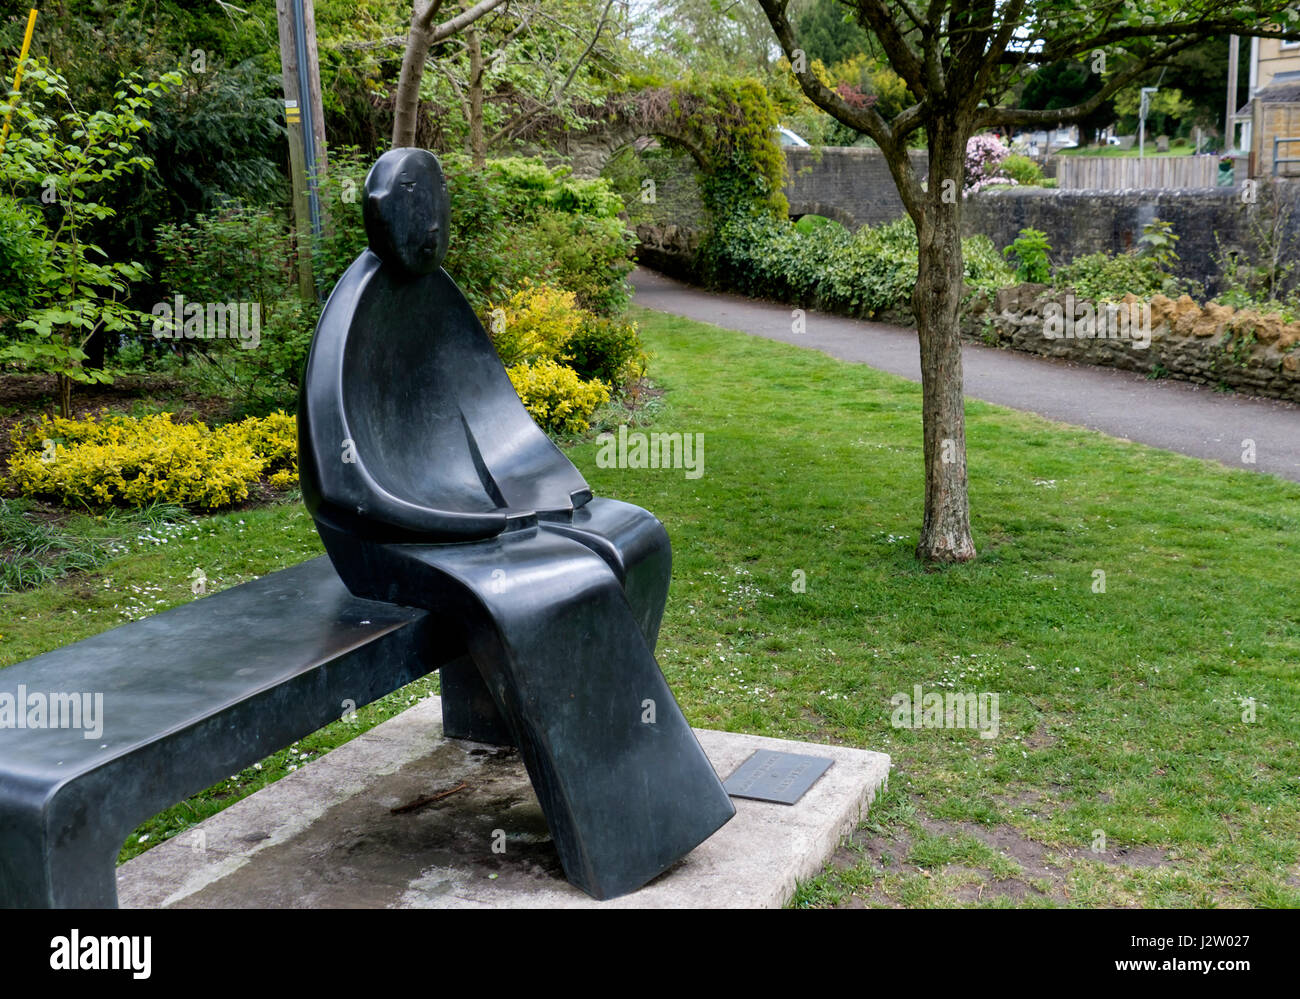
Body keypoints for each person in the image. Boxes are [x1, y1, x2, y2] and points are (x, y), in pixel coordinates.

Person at [297, 147, 734, 900]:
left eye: (434, 206)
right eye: (413, 206)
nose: (427, 223)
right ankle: (617, 824)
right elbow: (343, 485)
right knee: (549, 584)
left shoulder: (437, 297)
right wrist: (464, 519)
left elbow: (500, 419)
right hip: (386, 536)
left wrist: (539, 491)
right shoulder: (351, 315)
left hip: (462, 513)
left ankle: (574, 749)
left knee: (636, 537)